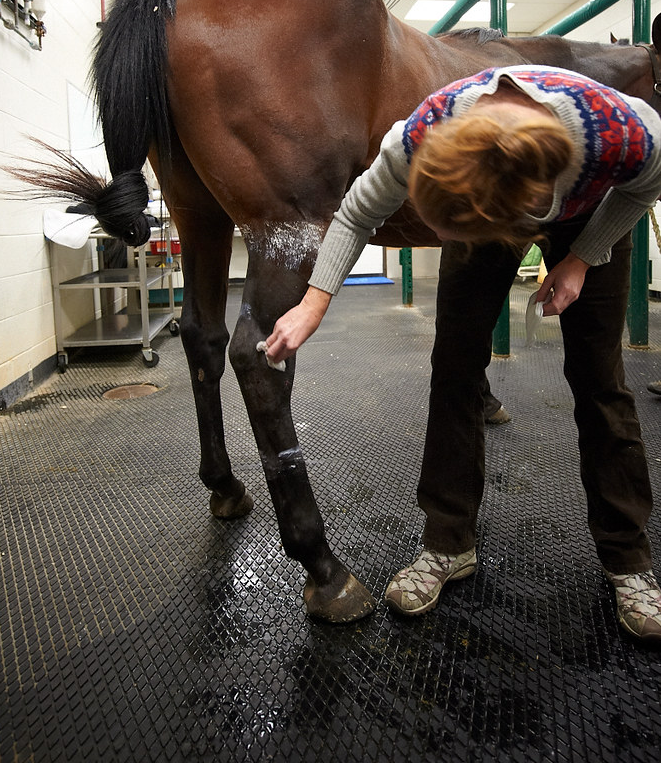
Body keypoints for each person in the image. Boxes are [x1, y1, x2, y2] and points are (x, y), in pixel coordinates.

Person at [265, 65, 661, 645]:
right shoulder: (420, 135)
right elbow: (357, 213)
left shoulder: (626, 133)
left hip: (593, 213)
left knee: (600, 378)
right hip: (493, 201)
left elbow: (645, 186)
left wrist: (581, 257)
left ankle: (628, 558)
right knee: (454, 370)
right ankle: (448, 542)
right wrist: (314, 301)